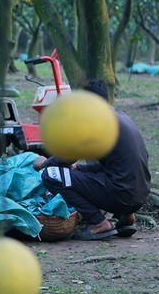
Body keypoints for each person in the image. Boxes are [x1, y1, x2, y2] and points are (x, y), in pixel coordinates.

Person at [33, 79, 151, 240]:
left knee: (51, 174)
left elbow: (67, 156)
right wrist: (79, 168)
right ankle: (127, 217)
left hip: (121, 195)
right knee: (117, 173)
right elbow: (114, 165)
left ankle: (99, 223)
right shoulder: (122, 117)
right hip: (139, 196)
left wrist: (44, 163)